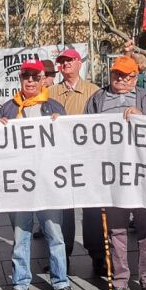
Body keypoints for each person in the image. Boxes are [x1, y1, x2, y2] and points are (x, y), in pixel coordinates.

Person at [0, 60, 81, 290]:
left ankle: (61, 283)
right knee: (21, 235)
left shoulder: (54, 107)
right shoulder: (8, 108)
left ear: (44, 78)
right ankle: (21, 284)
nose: (31, 81)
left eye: (35, 77)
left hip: (47, 184)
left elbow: (67, 145)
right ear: (21, 79)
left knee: (54, 234)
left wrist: (61, 125)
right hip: (20, 184)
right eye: (26, 76)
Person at [85, 56, 146, 290]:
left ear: (135, 77)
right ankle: (120, 281)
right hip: (112, 177)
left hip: (142, 176)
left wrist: (143, 117)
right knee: (116, 231)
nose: (120, 79)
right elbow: (83, 132)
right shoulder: (98, 98)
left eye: (126, 75)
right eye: (117, 74)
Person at [50, 47, 101, 271]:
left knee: (92, 211)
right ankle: (64, 255)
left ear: (80, 63)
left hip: (87, 160)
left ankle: (98, 255)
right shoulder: (49, 92)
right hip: (60, 161)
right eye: (62, 61)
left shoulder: (94, 91)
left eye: (70, 60)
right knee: (64, 212)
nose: (65, 64)